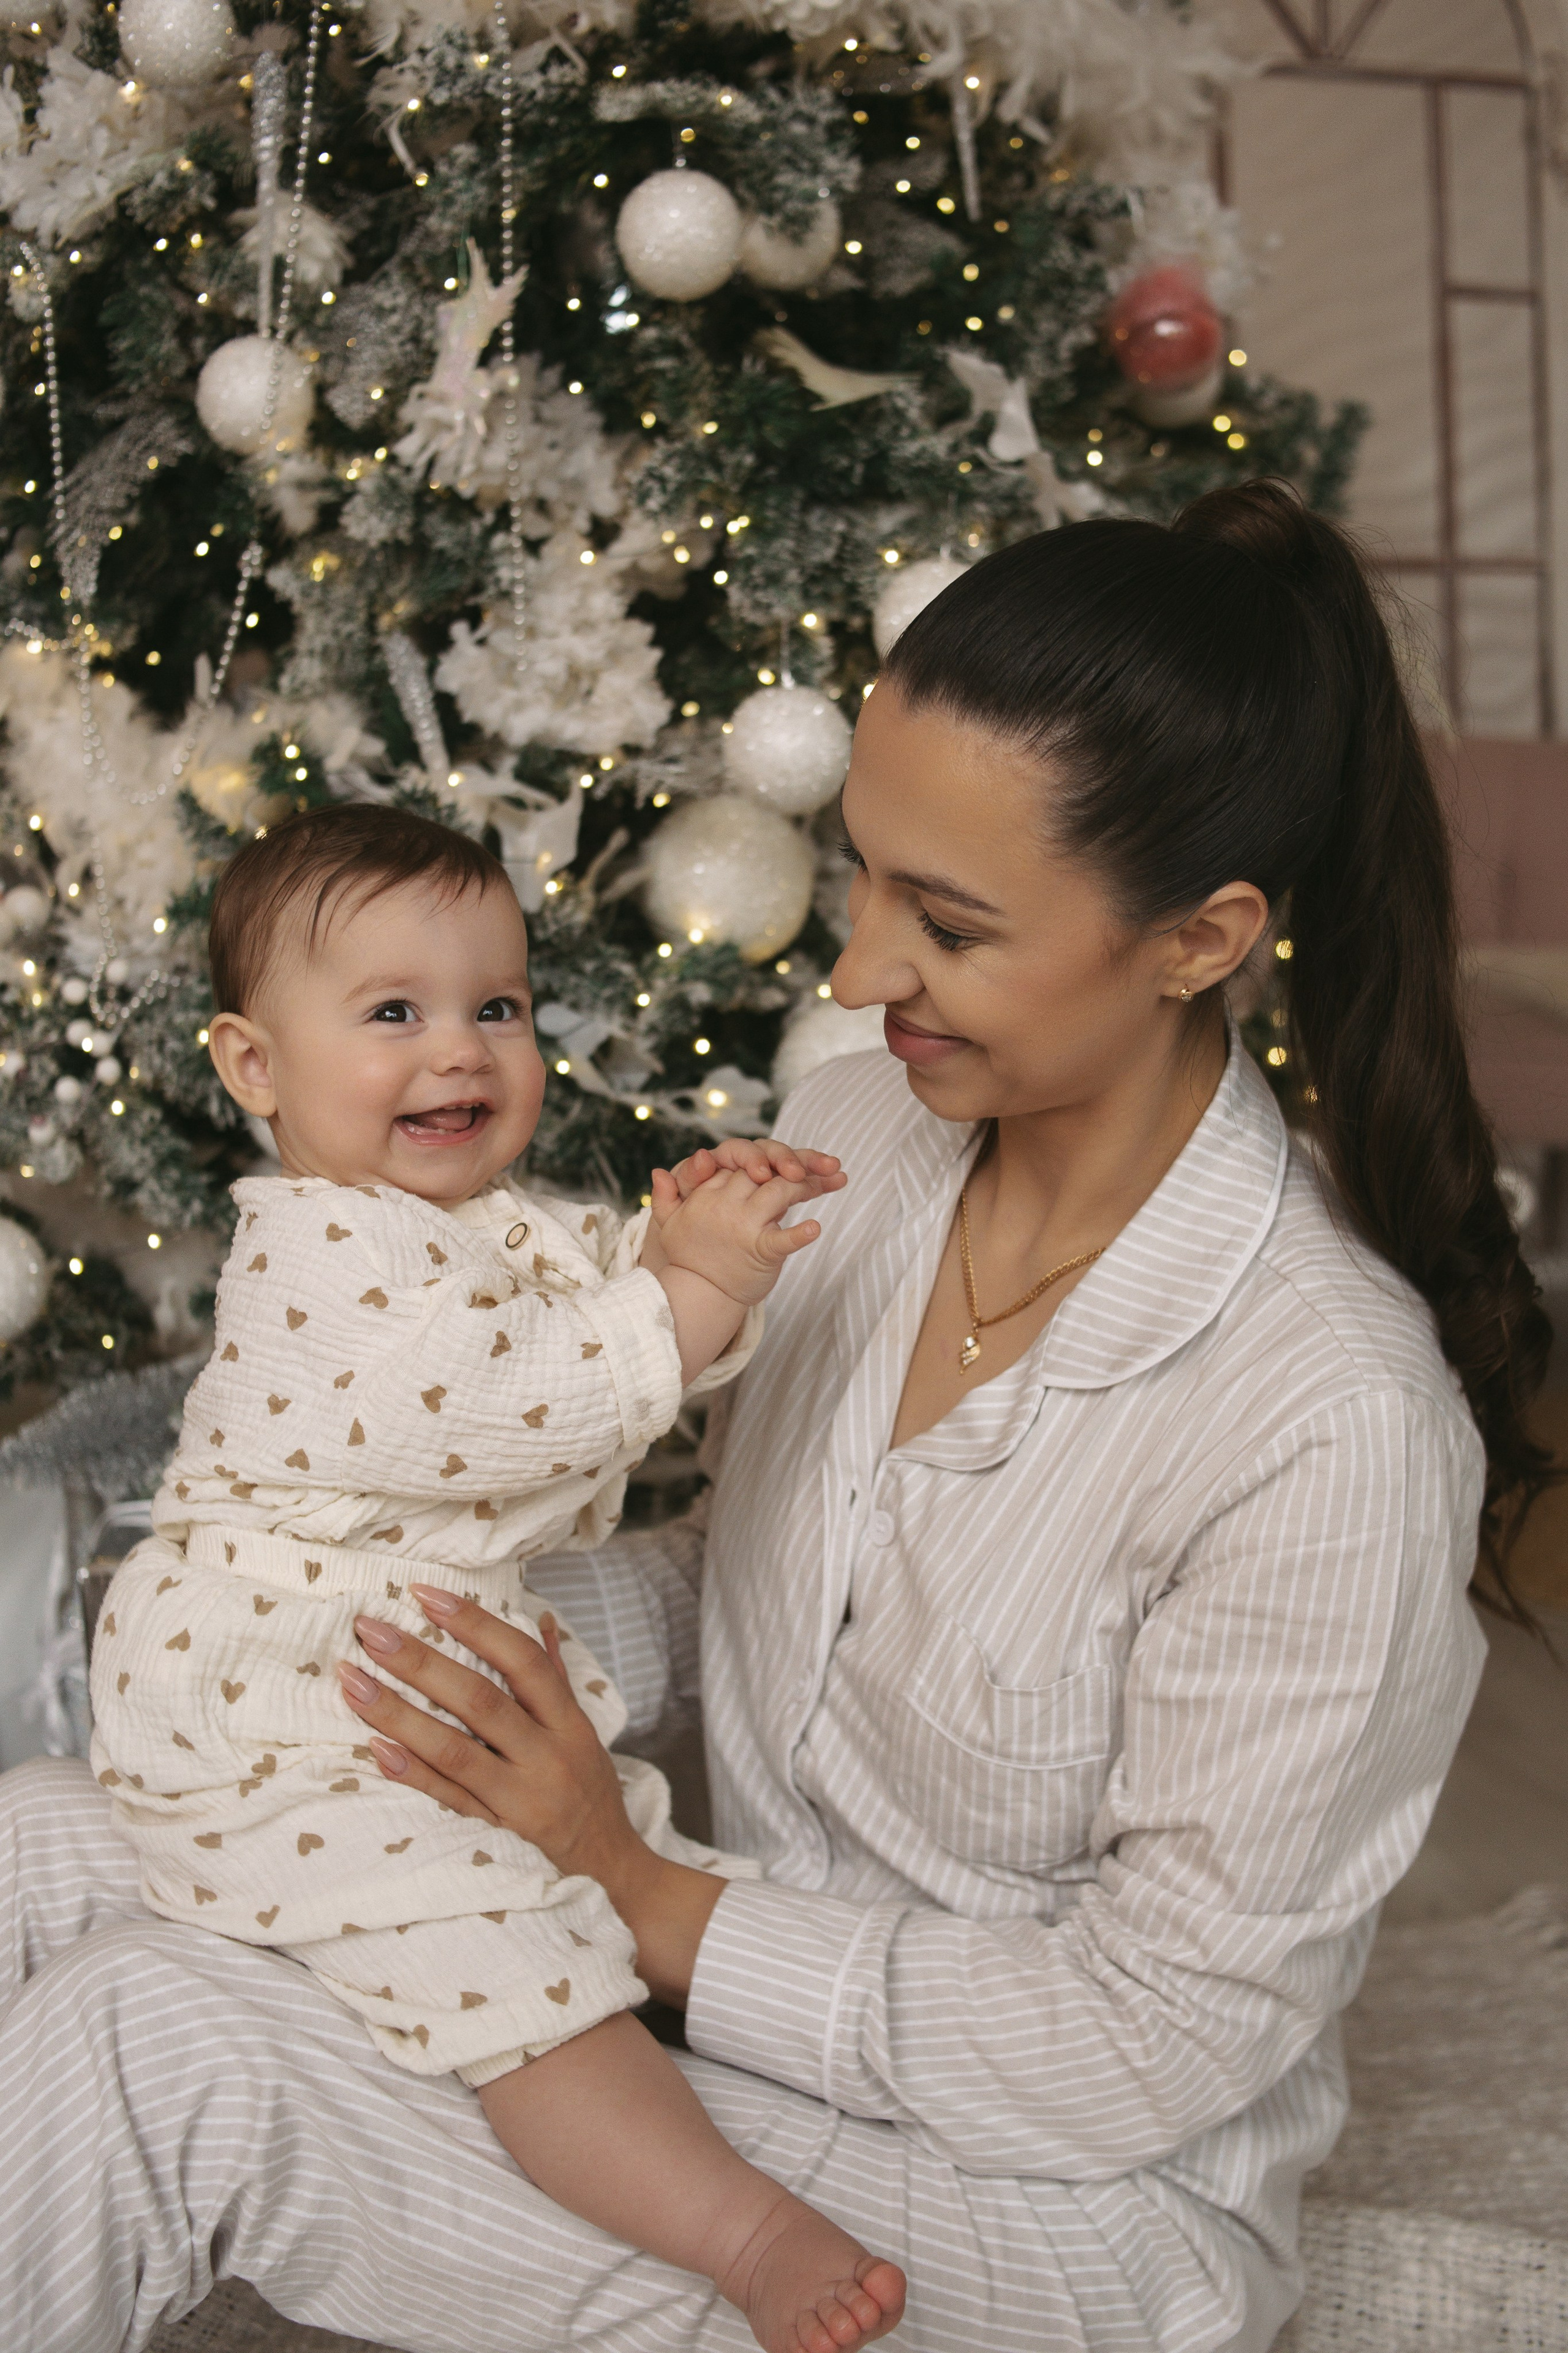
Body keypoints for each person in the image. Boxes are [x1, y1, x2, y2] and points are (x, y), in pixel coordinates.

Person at [0, 481, 1551, 2353]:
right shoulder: (873, 1149)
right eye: (865, 872)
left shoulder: (1329, 1423)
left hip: (1059, 2202)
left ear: (1199, 939)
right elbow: (751, 1565)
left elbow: (1143, 2048)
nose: (856, 968)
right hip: (702, 1955)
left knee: (144, 2034)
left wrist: (635, 1887)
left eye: (950, 923)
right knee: (44, 1845)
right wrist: (353, 1659)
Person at [85, 802, 905, 2353]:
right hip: (266, 1691)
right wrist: (698, 1287)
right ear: (253, 1065)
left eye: (497, 1007)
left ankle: (688, 2030)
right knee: (498, 1946)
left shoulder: (466, 1219)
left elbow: (593, 1288)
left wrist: (688, 1231)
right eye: (392, 1013)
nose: (458, 1050)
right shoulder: (318, 1261)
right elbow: (517, 1390)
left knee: (596, 1859)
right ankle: (741, 2230)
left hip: (360, 1662)